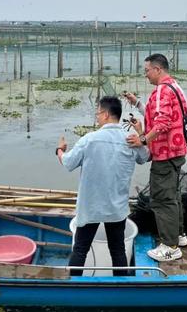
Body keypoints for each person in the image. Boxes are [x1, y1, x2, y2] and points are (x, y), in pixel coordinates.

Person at [57, 96, 149, 276]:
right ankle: (121, 288)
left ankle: (74, 287)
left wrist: (59, 150)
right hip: (117, 208)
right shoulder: (131, 140)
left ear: (106, 114)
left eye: (98, 113)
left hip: (91, 207)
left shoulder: (90, 139)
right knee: (118, 250)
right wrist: (141, 133)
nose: (97, 117)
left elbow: (68, 163)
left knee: (80, 249)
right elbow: (145, 157)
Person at [125, 53, 187, 262]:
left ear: (158, 69)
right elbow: (161, 115)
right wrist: (137, 104)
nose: (146, 75)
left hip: (165, 153)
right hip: (177, 151)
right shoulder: (175, 87)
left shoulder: (162, 90)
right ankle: (178, 236)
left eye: (147, 70)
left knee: (162, 199)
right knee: (173, 195)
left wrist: (143, 139)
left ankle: (170, 246)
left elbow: (162, 124)